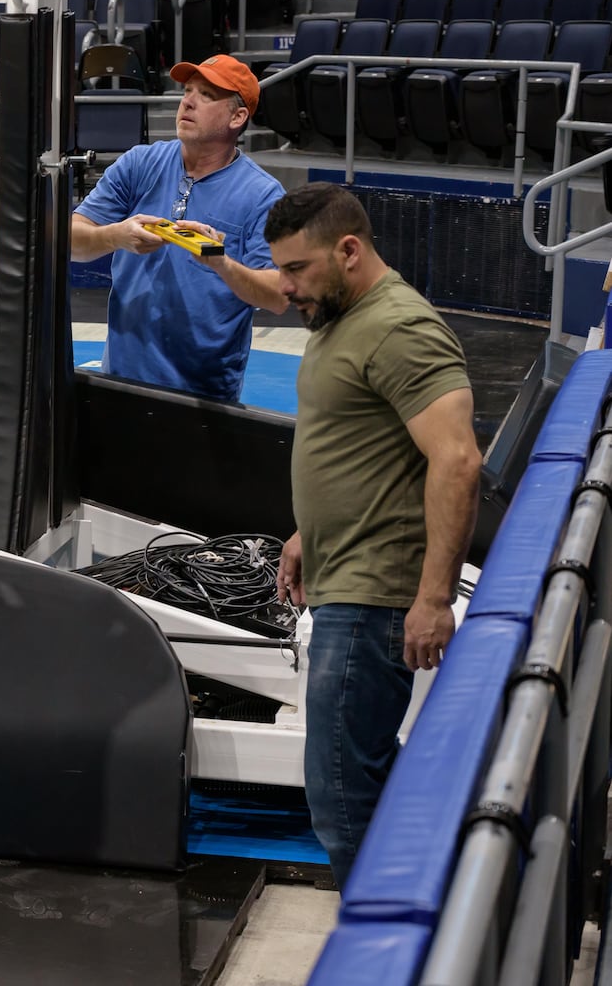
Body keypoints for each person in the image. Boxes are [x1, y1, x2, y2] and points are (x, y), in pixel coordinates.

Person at [266, 182, 481, 892]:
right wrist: (309, 532)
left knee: (340, 789)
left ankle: (385, 946)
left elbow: (456, 460)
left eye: (297, 269)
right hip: (345, 574)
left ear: (349, 251)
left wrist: (433, 597)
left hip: (375, 595)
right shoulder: (343, 318)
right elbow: (365, 445)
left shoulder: (398, 327)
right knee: (357, 776)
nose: (285, 285)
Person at [70, 54, 289, 402]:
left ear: (238, 116)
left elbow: (278, 295)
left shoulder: (263, 195)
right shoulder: (140, 163)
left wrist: (221, 262)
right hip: (120, 382)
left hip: (205, 397)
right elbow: (70, 240)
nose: (187, 101)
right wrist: (114, 235)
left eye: (206, 95)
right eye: (187, 90)